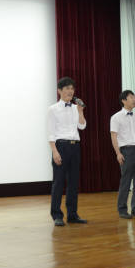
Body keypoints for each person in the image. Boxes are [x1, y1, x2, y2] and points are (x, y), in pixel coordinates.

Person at [47, 77, 87, 226]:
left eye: (72, 88)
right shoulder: (53, 109)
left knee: (73, 182)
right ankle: (57, 215)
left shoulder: (76, 107)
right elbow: (50, 132)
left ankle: (72, 214)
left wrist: (81, 112)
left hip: (75, 146)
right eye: (67, 88)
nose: (70, 91)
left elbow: (82, 126)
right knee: (58, 182)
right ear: (60, 91)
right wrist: (55, 152)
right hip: (61, 146)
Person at [110, 90, 135, 219]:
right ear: (123, 100)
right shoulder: (116, 117)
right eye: (131, 97)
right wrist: (118, 153)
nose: (134, 99)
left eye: (134, 97)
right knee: (126, 181)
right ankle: (122, 209)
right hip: (126, 151)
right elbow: (113, 136)